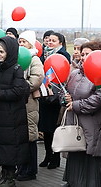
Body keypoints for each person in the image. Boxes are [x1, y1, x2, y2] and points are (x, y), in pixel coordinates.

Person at [0, 36, 30, 187]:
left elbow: (17, 92)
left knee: (11, 147)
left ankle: (10, 178)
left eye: (2, 52)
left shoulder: (17, 69)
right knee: (1, 146)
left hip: (13, 117)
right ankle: (4, 174)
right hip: (0, 115)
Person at [62, 40, 101, 187]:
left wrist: (76, 105)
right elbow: (64, 90)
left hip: (92, 124)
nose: (83, 57)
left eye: (87, 54)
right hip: (75, 123)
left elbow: (100, 99)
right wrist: (64, 98)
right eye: (82, 54)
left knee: (90, 158)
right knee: (75, 153)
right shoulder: (75, 73)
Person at [39, 32, 71, 169]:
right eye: (48, 40)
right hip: (46, 94)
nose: (49, 42)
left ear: (60, 42)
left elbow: (63, 76)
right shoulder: (44, 54)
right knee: (46, 129)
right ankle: (47, 155)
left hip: (57, 98)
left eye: (53, 40)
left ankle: (55, 157)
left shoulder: (63, 55)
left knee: (54, 129)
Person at [15, 30, 44, 181]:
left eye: (24, 42)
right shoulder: (17, 59)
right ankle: (21, 167)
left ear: (31, 44)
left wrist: (18, 86)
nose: (21, 44)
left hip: (29, 103)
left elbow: (36, 80)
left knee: (30, 137)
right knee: (20, 138)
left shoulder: (34, 60)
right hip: (18, 103)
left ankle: (30, 170)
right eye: (20, 41)